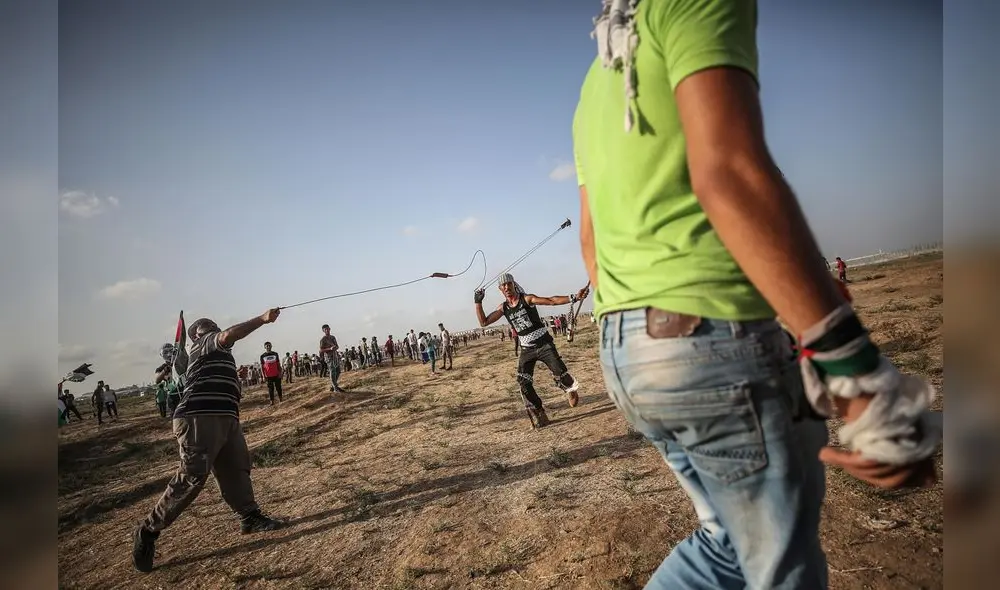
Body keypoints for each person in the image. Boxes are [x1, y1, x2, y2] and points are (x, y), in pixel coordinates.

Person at [571, 1, 940, 587]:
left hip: (629, 352)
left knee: (725, 543)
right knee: (782, 571)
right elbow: (730, 174)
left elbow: (590, 246)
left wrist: (649, 348)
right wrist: (856, 371)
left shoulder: (596, 77)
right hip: (712, 340)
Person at [132, 308, 285, 574]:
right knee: (192, 477)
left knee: (236, 468)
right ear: (197, 335)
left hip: (225, 420)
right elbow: (227, 335)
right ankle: (148, 531)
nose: (212, 325)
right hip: (198, 419)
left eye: (213, 323)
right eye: (206, 325)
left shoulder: (220, 354)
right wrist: (262, 319)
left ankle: (249, 516)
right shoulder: (203, 345)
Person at [474, 273, 586, 428]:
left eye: (509, 284)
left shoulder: (527, 299)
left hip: (544, 345)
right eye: (503, 285)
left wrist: (574, 297)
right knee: (524, 383)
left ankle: (569, 389)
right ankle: (540, 413)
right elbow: (484, 322)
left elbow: (551, 301)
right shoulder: (504, 308)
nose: (506, 287)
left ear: (514, 284)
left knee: (560, 373)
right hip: (527, 350)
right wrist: (478, 302)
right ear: (500, 289)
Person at [320, 324, 345, 393]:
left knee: (338, 371)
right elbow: (321, 350)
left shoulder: (333, 337)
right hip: (328, 357)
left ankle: (333, 386)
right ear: (323, 331)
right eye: (325, 329)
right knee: (332, 371)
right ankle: (335, 387)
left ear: (330, 329)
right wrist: (329, 349)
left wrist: (335, 348)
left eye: (328, 329)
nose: (327, 330)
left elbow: (337, 346)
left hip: (335, 356)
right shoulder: (323, 339)